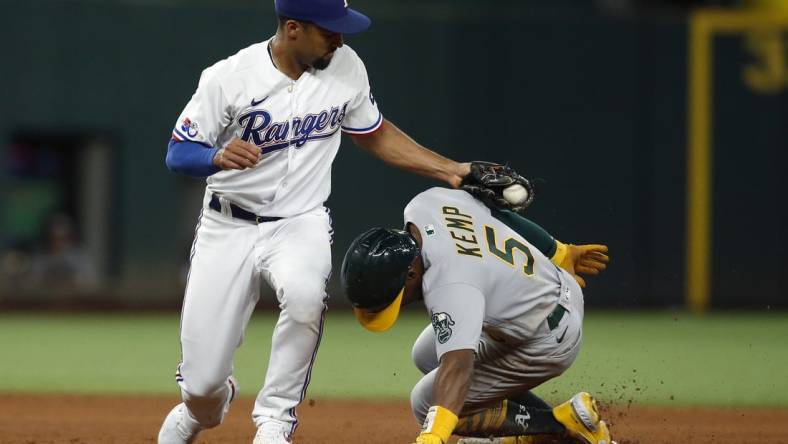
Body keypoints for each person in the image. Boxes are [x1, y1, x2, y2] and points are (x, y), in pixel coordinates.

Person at [157, 0, 470, 443]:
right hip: (228, 225)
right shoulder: (228, 77)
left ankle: (275, 420)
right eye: (329, 30)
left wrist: (451, 170)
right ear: (293, 29)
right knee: (202, 387)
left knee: (305, 298)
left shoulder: (346, 67)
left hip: (299, 222)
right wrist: (215, 156)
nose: (339, 38)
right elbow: (178, 152)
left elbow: (374, 133)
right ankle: (203, 406)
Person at [340, 187, 613, 444]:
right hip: (547, 285)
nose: (398, 306)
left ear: (411, 274)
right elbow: (495, 212)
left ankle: (561, 427)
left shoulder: (451, 285)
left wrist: (433, 436)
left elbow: (458, 367)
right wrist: (557, 250)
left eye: (395, 299)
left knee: (425, 403)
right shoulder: (425, 205)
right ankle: (557, 419)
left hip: (547, 338)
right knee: (425, 354)